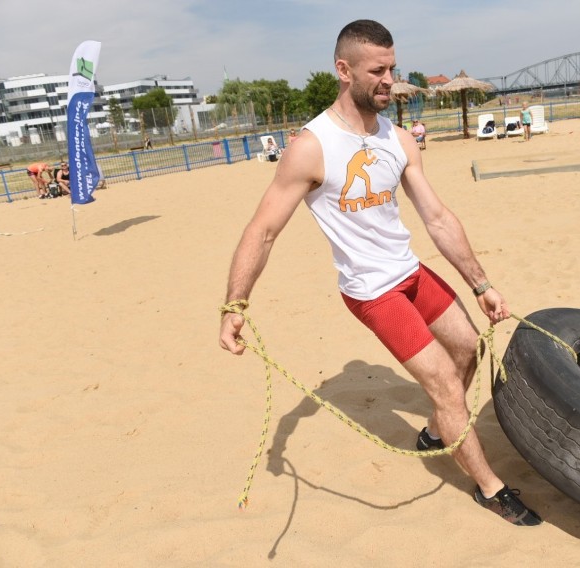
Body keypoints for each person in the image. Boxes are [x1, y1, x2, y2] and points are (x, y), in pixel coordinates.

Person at [219, 19, 541, 526]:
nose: (390, 79)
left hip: (410, 272)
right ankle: (490, 488)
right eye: (378, 70)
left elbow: (436, 216)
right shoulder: (313, 146)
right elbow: (261, 231)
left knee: (469, 349)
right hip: (372, 291)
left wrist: (481, 283)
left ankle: (437, 432)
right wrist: (235, 305)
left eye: (393, 67)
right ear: (344, 71)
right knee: (445, 385)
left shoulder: (397, 137)